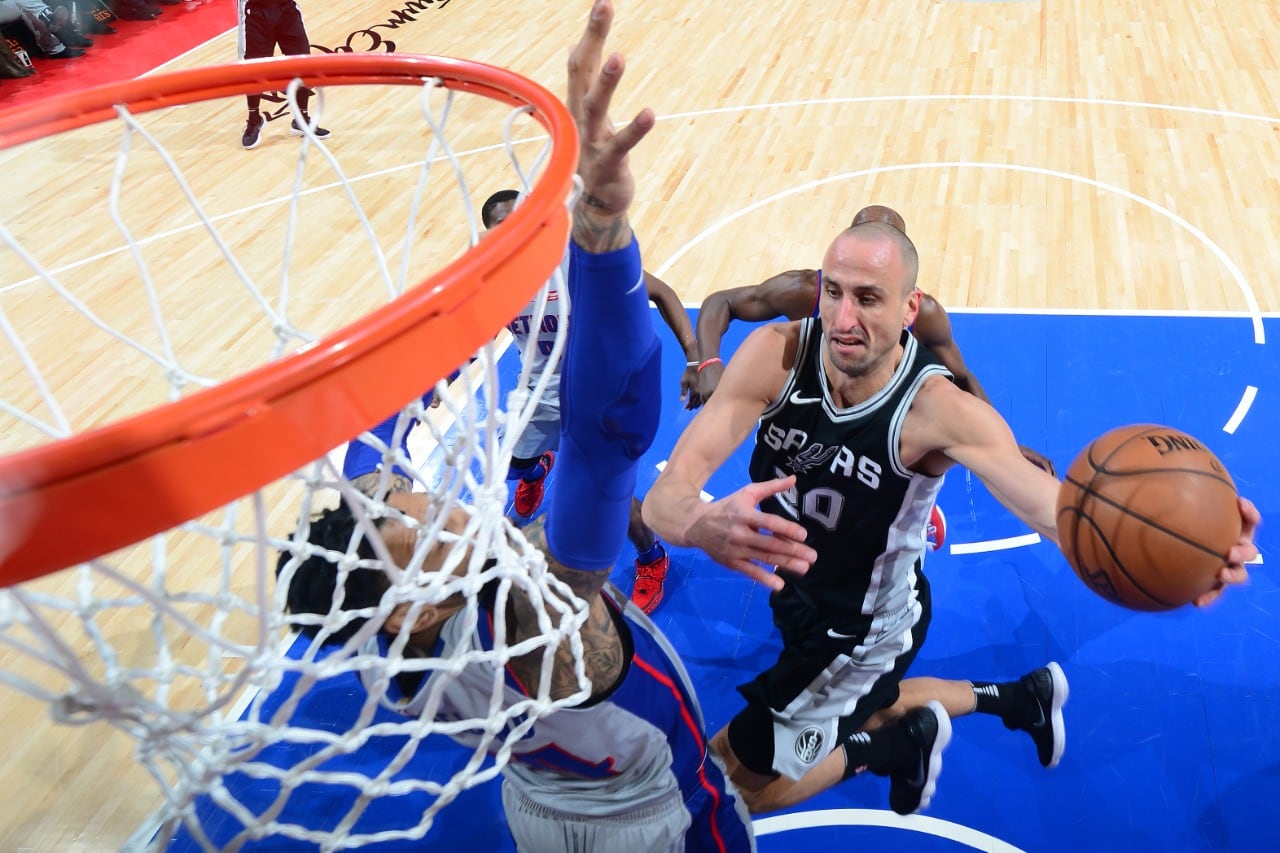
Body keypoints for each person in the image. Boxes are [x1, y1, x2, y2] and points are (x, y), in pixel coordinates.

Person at [279, 3, 758, 848]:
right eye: (406, 523)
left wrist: (431, 344)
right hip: (648, 806)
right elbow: (608, 437)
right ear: (411, 611)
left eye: (400, 498)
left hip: (534, 798)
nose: (428, 502)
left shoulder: (380, 640)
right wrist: (605, 231)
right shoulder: (537, 615)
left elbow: (373, 450)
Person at [642, 219, 1259, 813]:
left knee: (722, 781)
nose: (843, 319)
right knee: (862, 705)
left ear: (911, 309)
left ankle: (882, 749)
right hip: (796, 592)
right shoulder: (773, 356)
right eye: (832, 293)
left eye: (868, 299)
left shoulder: (941, 411)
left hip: (863, 630)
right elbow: (665, 500)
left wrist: (1190, 555)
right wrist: (700, 525)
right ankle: (1003, 704)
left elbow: (1056, 514)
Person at [688, 204, 1057, 477]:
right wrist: (705, 363)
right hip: (816, 399)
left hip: (882, 411)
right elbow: (722, 301)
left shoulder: (923, 312)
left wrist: (1006, 448)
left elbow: (960, 376)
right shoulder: (805, 290)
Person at [481, 188, 699, 614]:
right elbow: (473, 336)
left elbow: (663, 293)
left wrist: (696, 356)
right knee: (513, 464)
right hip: (537, 394)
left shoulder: (579, 261)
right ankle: (537, 467)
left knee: (610, 497)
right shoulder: (493, 283)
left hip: (595, 398)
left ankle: (652, 557)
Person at [237, 0, 330, 150]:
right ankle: (254, 120)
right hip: (255, 12)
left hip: (287, 9)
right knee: (254, 69)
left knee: (303, 64)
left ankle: (301, 119)